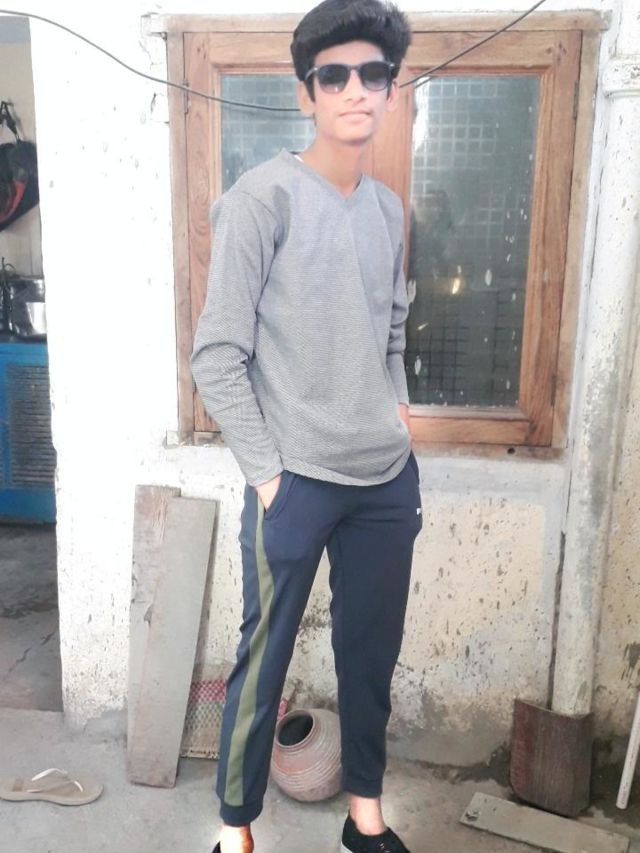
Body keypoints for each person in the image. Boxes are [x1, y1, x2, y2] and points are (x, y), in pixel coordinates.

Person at [190, 2, 421, 850]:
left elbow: (392, 329)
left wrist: (397, 408)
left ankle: (365, 818)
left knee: (370, 655)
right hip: (293, 479)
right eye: (335, 75)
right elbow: (217, 355)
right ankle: (235, 829)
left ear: (390, 91)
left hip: (383, 481)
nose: (355, 89)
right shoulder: (262, 199)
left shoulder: (389, 211)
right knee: (264, 659)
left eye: (373, 74)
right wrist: (267, 476)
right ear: (307, 93)